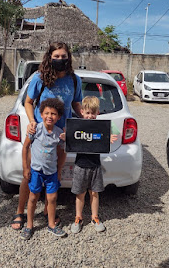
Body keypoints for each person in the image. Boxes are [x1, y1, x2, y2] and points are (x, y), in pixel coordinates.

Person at [11, 42, 83, 230]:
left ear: (69, 58)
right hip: (40, 135)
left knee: (54, 173)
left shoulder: (75, 80)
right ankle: (20, 212)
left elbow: (76, 103)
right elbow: (28, 102)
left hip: (61, 137)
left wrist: (85, 117)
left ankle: (47, 211)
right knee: (29, 175)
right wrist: (31, 121)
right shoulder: (39, 78)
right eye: (56, 56)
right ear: (49, 57)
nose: (60, 59)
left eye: (63, 56)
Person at [69, 96, 118, 234]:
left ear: (97, 113)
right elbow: (71, 138)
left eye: (93, 113)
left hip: (95, 165)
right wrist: (66, 137)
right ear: (82, 112)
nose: (90, 116)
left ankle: (94, 217)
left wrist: (110, 139)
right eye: (88, 113)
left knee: (95, 193)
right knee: (80, 193)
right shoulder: (77, 126)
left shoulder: (100, 128)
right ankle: (78, 217)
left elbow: (108, 137)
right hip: (80, 165)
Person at [20, 98, 66, 240]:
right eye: (46, 113)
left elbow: (62, 152)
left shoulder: (59, 134)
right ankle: (29, 225)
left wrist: (59, 170)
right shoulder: (35, 130)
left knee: (52, 198)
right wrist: (25, 167)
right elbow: (26, 147)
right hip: (36, 171)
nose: (49, 116)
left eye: (53, 114)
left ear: (58, 117)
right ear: (41, 114)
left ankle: (52, 225)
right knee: (33, 197)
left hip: (51, 172)